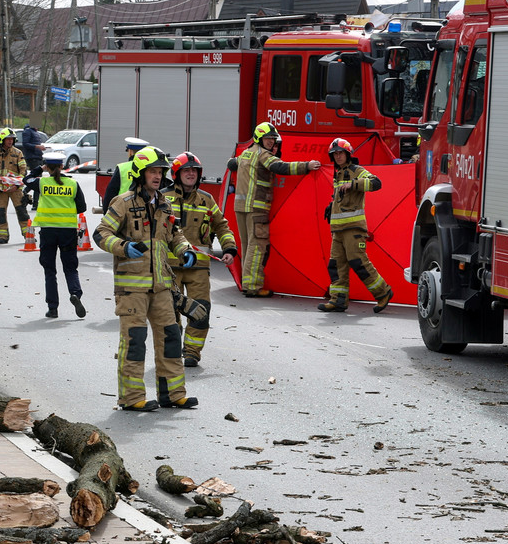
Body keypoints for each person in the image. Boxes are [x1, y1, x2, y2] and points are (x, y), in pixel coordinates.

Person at [94, 146, 198, 411]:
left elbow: (175, 234)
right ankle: (131, 398)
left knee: (171, 338)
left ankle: (173, 394)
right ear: (140, 173)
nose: (157, 176)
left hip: (162, 286)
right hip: (132, 290)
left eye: (161, 171)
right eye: (153, 171)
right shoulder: (123, 202)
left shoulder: (163, 203)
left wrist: (184, 250)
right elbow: (101, 233)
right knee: (134, 342)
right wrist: (122, 246)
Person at [227, 122, 320, 297]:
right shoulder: (263, 155)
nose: (271, 142)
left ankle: (246, 283)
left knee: (247, 246)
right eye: (268, 139)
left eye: (272, 139)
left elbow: (232, 163)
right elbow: (281, 167)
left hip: (240, 208)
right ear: (259, 139)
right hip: (257, 208)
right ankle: (253, 286)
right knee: (257, 246)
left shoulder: (246, 154)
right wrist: (307, 166)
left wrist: (235, 163)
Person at [164, 152, 237, 367]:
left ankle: (192, 352)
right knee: (169, 311)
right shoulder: (162, 197)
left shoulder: (206, 200)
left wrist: (229, 248)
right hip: (169, 267)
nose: (190, 174)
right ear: (176, 174)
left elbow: (222, 225)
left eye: (194, 171)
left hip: (198, 267)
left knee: (200, 309)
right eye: (186, 171)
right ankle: (173, 348)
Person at [318, 137, 393, 313]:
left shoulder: (356, 170)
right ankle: (338, 300)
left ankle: (383, 293)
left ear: (347, 154)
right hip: (338, 230)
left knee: (358, 262)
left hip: (353, 229)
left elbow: (376, 183)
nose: (337, 156)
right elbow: (342, 198)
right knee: (336, 266)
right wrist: (332, 206)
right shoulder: (338, 174)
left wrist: (353, 184)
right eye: (334, 154)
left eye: (340, 153)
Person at [31, 152, 88, 319]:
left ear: (47, 167)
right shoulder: (72, 184)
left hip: (48, 231)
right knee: (70, 267)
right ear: (63, 166)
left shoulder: (42, 182)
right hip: (68, 230)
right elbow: (82, 207)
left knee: (50, 270)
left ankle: (53, 308)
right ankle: (75, 293)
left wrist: (38, 169)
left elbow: (25, 180)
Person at [101, 136, 151, 210]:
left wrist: (106, 213)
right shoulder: (150, 168)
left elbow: (110, 195)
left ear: (130, 152)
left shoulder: (122, 168)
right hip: (146, 213)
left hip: (123, 213)